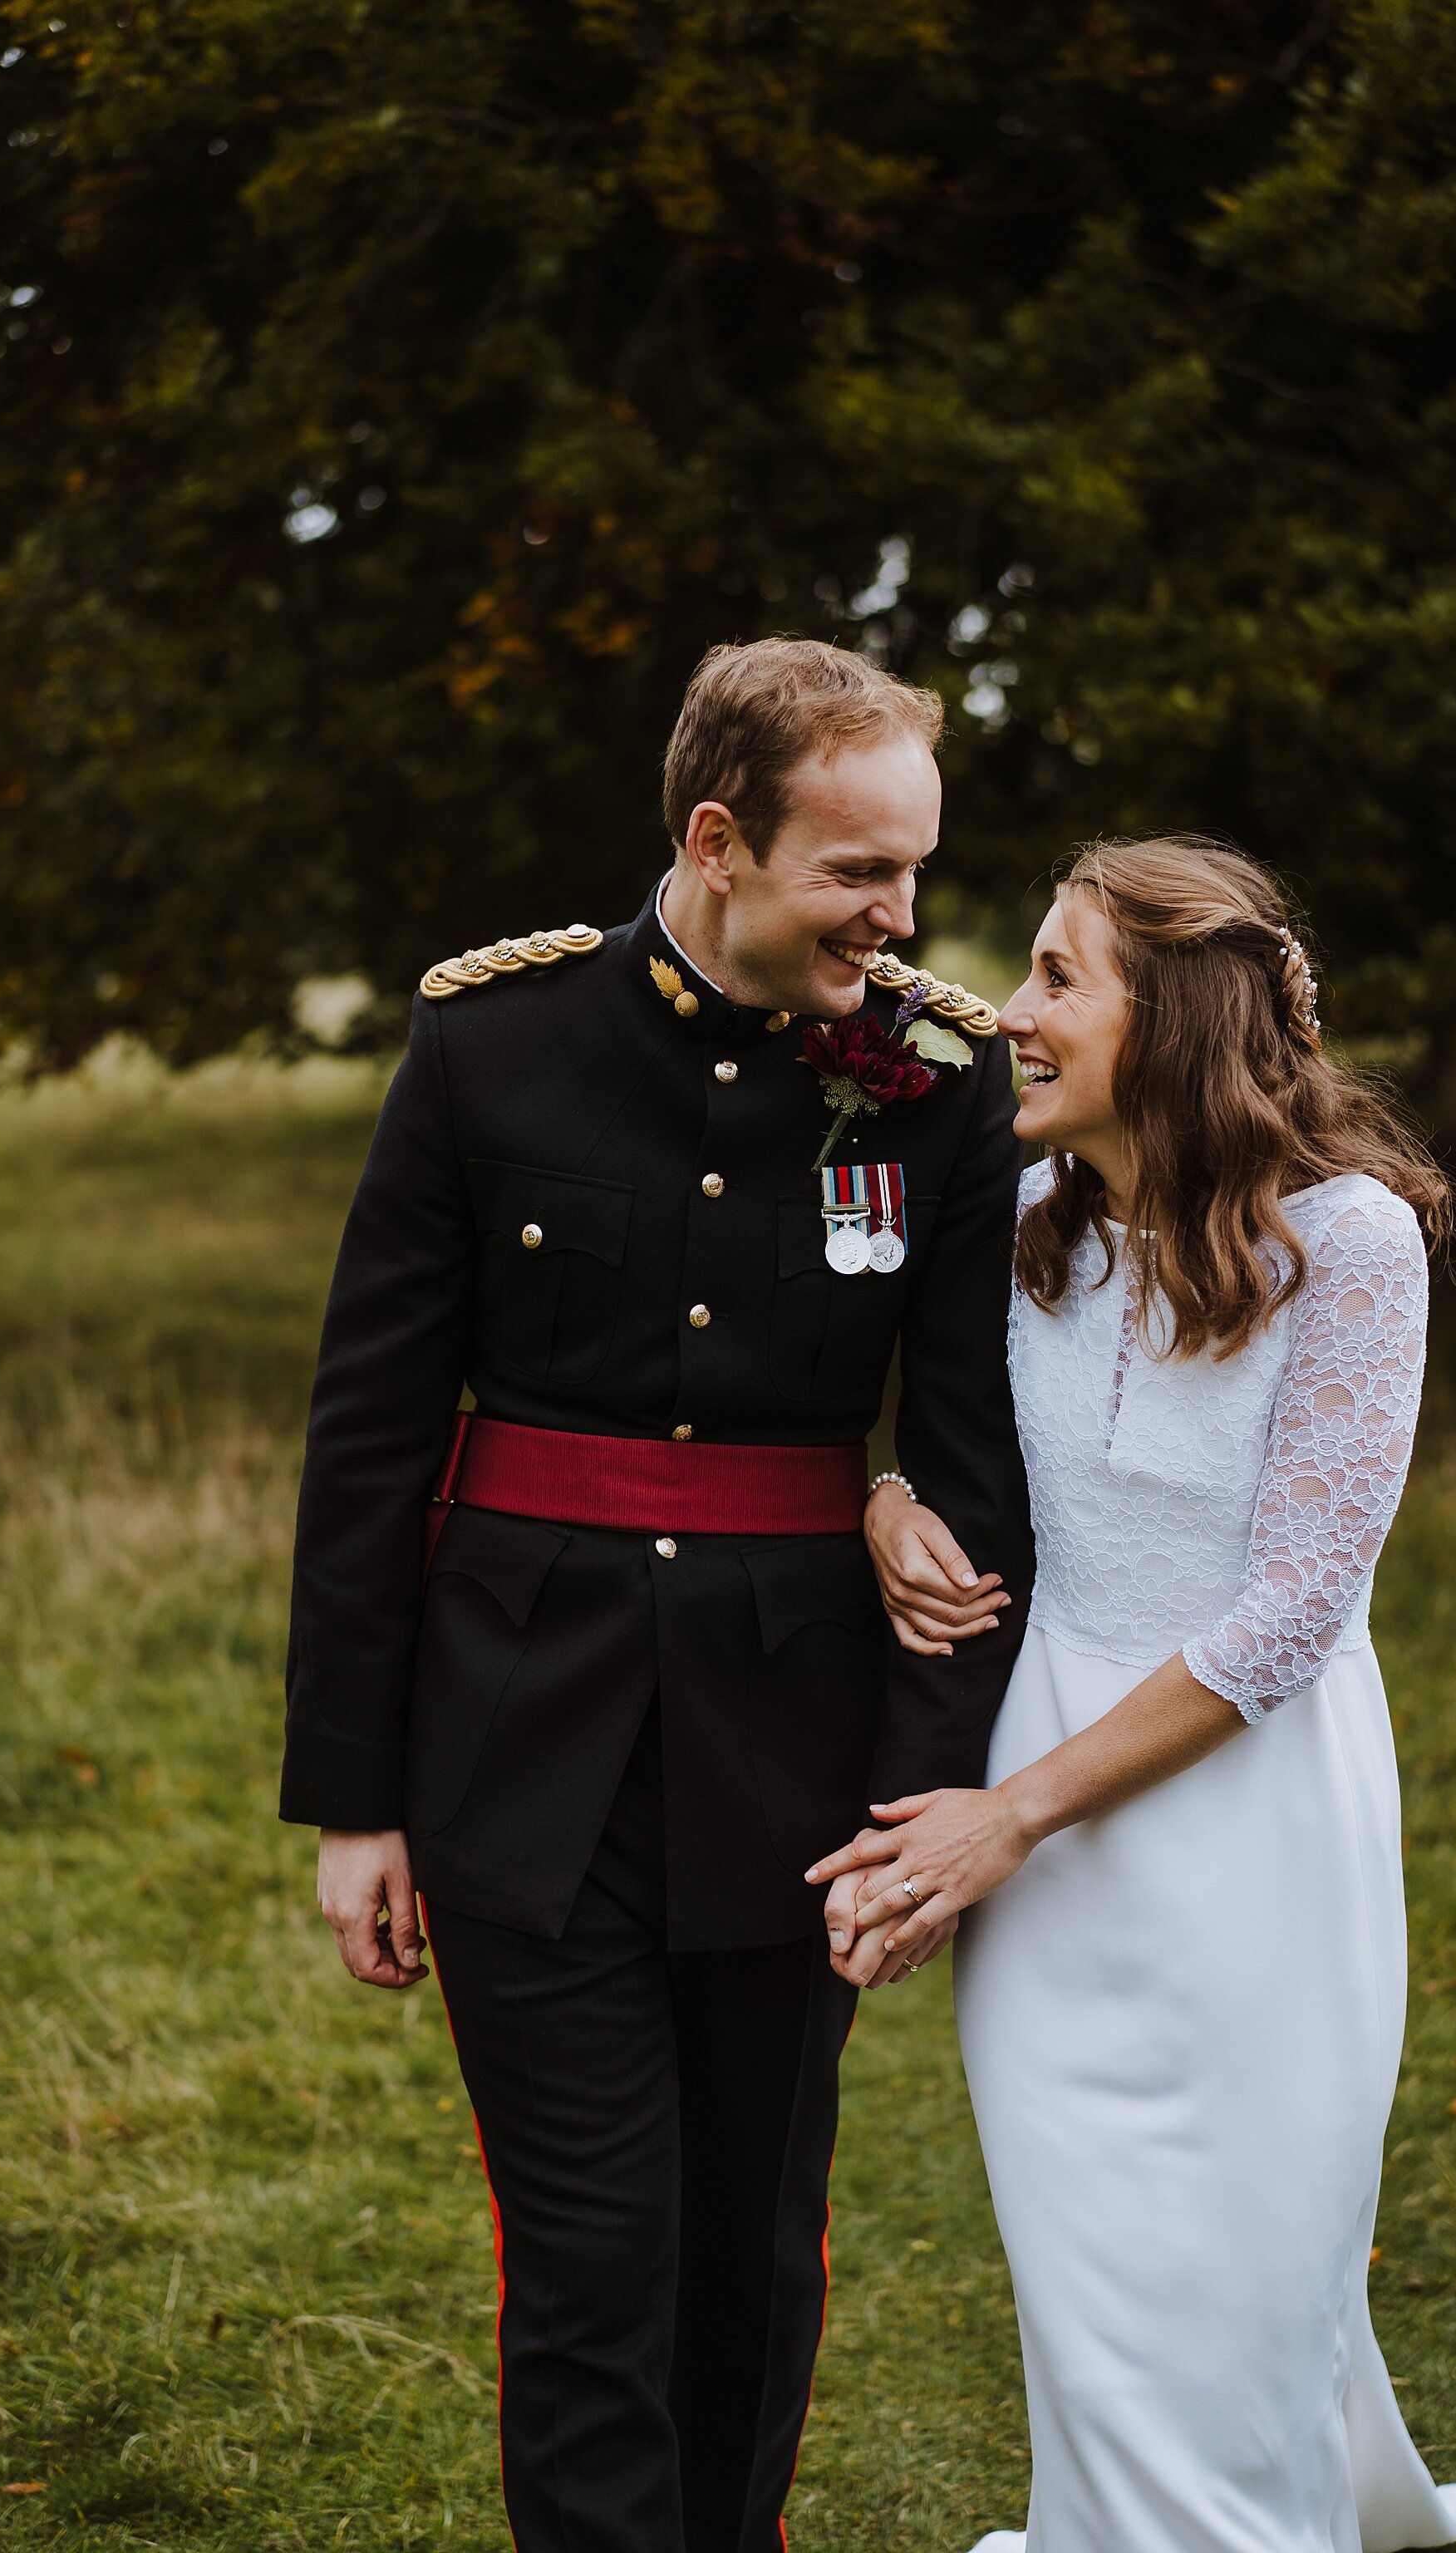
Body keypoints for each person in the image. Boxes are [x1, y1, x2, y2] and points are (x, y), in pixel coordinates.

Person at [278, 636, 1034, 2553]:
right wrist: (355, 1799)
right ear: (717, 839)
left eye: (918, 875)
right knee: (596, 2259)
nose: (902, 917)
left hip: (796, 1760)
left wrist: (920, 1808)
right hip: (519, 1743)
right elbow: (371, 1437)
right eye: (860, 874)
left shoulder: (930, 1084)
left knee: (750, 2253)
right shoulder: (491, 1043)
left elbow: (961, 1472)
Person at [810, 837, 1456, 2553]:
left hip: (1248, 1816)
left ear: (1169, 1020)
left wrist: (1002, 1823)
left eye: (1054, 979)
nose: (1011, 1016)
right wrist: (888, 1509)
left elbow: (1288, 1617)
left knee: (1252, 2259)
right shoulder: (1028, 1224)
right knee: (1090, 2264)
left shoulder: (1352, 1245)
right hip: (1042, 1786)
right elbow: (940, 1448)